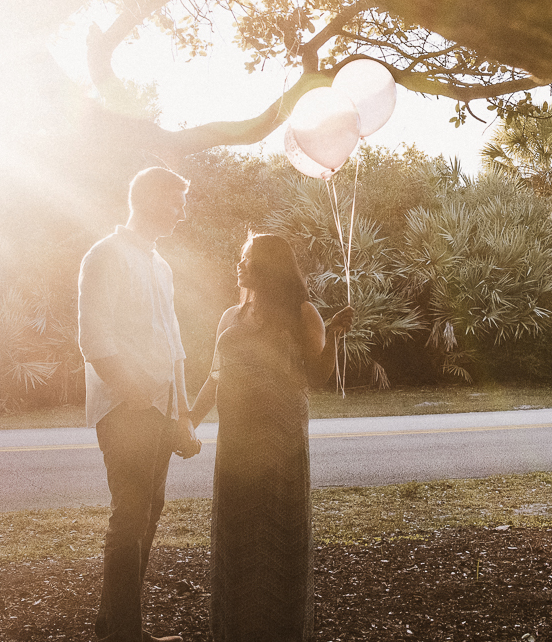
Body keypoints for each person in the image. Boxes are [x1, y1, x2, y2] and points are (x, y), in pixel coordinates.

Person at [187, 233, 353, 642]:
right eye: (241, 256)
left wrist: (334, 334)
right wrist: (190, 418)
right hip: (236, 443)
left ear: (268, 266)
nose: (239, 263)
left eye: (247, 257)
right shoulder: (231, 317)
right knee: (237, 538)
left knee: (278, 537)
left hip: (281, 443)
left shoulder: (302, 313)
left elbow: (318, 376)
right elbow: (215, 375)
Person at [77, 166, 202, 642]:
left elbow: (174, 347)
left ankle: (115, 627)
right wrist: (134, 395)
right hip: (125, 411)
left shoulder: (160, 265)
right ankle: (124, 635)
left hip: (163, 411)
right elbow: (94, 338)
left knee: (148, 514)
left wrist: (182, 415)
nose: (182, 213)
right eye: (176, 202)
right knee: (130, 518)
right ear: (148, 199)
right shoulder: (105, 255)